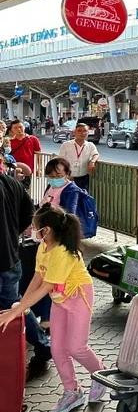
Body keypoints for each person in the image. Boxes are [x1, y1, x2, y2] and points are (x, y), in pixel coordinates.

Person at [0, 205, 106, 410]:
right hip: (59, 300)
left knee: (76, 347)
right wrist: (20, 306)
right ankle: (72, 391)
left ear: (46, 230)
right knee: (57, 349)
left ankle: (101, 376)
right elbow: (38, 278)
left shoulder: (63, 252)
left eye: (35, 227)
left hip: (78, 297)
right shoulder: (44, 246)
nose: (32, 230)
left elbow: (46, 286)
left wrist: (16, 310)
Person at [0, 156, 52, 382]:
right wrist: (11, 236)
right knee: (16, 305)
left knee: (15, 306)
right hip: (11, 257)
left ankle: (41, 347)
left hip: (5, 261)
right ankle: (42, 346)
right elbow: (28, 215)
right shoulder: (11, 182)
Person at [56, 123, 99, 193]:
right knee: (69, 200)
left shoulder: (90, 145)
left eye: (85, 131)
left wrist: (92, 162)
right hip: (68, 178)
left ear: (88, 133)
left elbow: (96, 154)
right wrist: (65, 175)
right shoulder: (66, 145)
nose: (82, 133)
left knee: (82, 199)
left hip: (84, 178)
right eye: (79, 131)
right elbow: (60, 161)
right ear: (74, 132)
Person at [8, 119, 41, 189]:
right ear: (11, 130)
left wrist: (39, 168)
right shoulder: (9, 141)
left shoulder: (33, 139)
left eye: (20, 127)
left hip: (27, 170)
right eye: (15, 128)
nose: (19, 129)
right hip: (13, 170)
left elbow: (38, 155)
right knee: (13, 190)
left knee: (26, 190)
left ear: (24, 127)